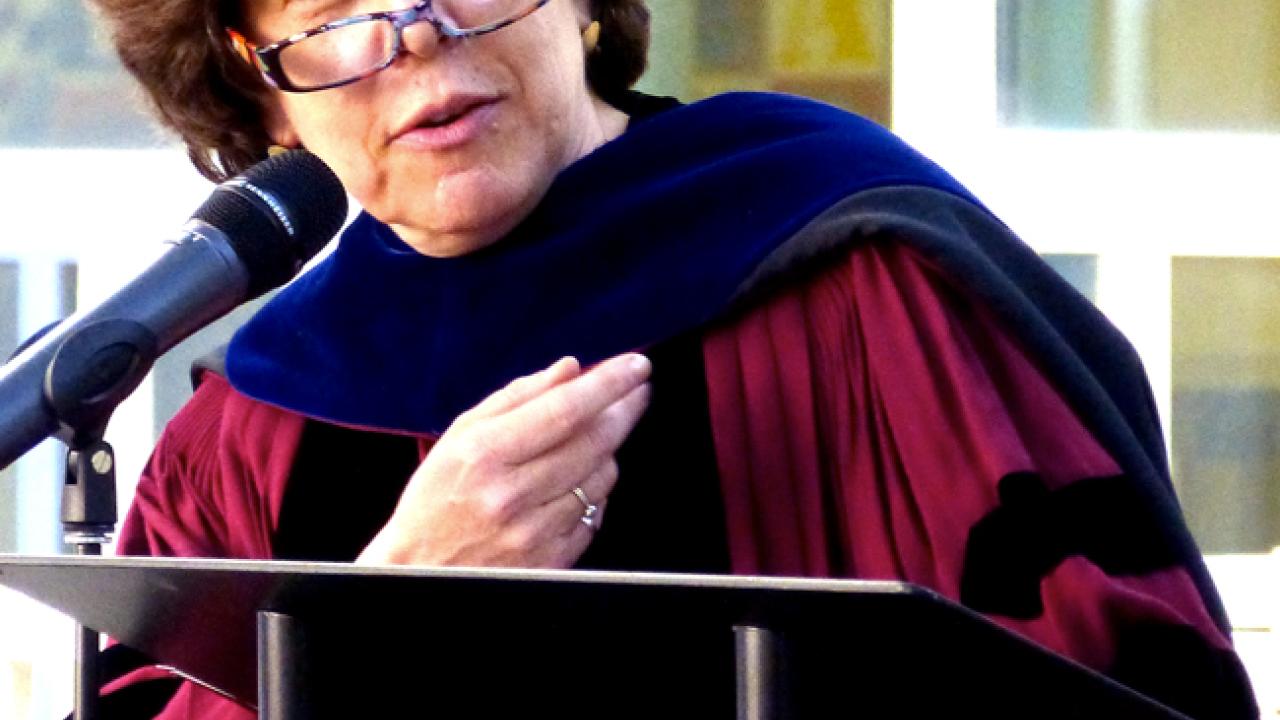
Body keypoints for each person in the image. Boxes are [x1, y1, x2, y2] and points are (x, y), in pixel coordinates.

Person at [85, 0, 1256, 718]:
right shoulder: (253, 424)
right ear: (258, 83)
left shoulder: (858, 273)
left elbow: (1119, 684)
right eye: (332, 5)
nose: (416, 33)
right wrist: (383, 619)